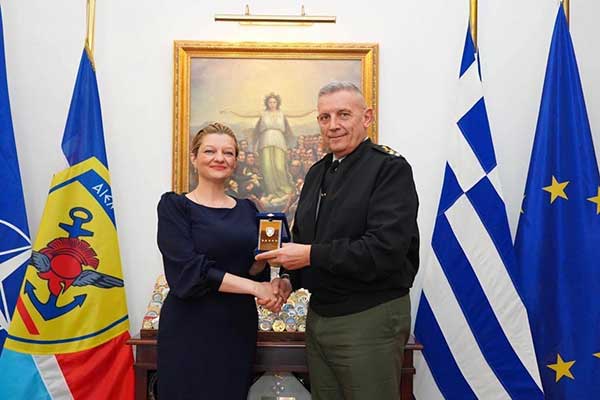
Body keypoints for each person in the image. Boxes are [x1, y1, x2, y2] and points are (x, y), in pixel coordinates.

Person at [256, 81, 419, 400]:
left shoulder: (389, 169)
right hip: (320, 316)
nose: (333, 125)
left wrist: (309, 256)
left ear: (367, 117)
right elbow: (305, 238)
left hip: (369, 314)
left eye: (343, 114)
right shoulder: (317, 172)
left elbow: (384, 249)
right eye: (324, 117)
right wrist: (289, 279)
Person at [157, 122, 285, 400]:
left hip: (236, 326)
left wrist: (263, 267)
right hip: (189, 326)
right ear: (194, 158)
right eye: (210, 151)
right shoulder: (175, 206)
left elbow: (253, 269)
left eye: (228, 152)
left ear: (236, 161)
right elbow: (190, 270)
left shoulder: (248, 209)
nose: (220, 158)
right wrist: (255, 288)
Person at [221, 93, 315, 199]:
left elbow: (297, 113)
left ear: (277, 103)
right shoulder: (263, 113)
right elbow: (247, 113)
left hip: (279, 141)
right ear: (267, 103)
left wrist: (313, 110)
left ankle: (284, 189)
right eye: (270, 102)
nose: (272, 104)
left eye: (274, 102)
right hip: (265, 142)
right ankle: (271, 191)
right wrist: (230, 111)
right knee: (267, 167)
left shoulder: (281, 113)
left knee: (279, 166)